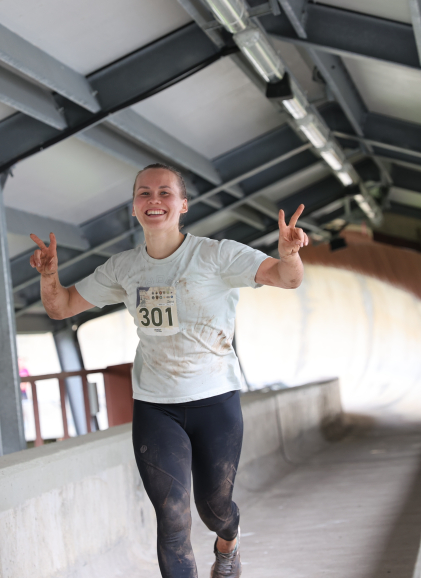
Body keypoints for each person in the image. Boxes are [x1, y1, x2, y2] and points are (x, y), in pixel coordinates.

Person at [29, 163, 308, 578]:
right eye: (144, 193)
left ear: (184, 205)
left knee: (215, 509)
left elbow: (286, 278)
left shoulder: (216, 255)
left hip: (215, 400)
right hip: (156, 406)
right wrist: (50, 276)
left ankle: (228, 543)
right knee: (172, 517)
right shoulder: (123, 268)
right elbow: (62, 306)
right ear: (133, 207)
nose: (154, 200)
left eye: (165, 193)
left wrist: (289, 255)